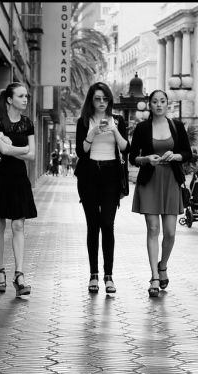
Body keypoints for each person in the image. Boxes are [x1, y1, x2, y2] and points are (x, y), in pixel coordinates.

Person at [129, 89, 192, 297]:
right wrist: (147, 159)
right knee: (153, 229)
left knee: (171, 232)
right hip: (150, 181)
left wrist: (175, 156)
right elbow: (133, 158)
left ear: (167, 104)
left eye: (162, 101)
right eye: (154, 101)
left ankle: (163, 264)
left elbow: (187, 154)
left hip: (171, 181)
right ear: (150, 104)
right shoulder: (142, 128)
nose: (158, 105)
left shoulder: (177, 126)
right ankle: (154, 277)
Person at [75, 82, 129, 294]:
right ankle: (93, 275)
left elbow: (126, 148)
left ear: (109, 100)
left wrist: (114, 129)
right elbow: (81, 151)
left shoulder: (119, 120)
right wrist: (93, 132)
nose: (101, 103)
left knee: (108, 223)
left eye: (105, 99)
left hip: (111, 175)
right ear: (91, 100)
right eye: (97, 99)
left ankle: (109, 276)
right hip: (89, 175)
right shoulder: (83, 121)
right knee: (92, 225)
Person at [0, 82, 36, 297]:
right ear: (9, 99)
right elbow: (2, 150)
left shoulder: (28, 123)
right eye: (21, 96)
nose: (25, 99)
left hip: (18, 178)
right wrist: (22, 149)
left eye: (26, 96)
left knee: (18, 225)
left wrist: (13, 148)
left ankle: (19, 274)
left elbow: (32, 154)